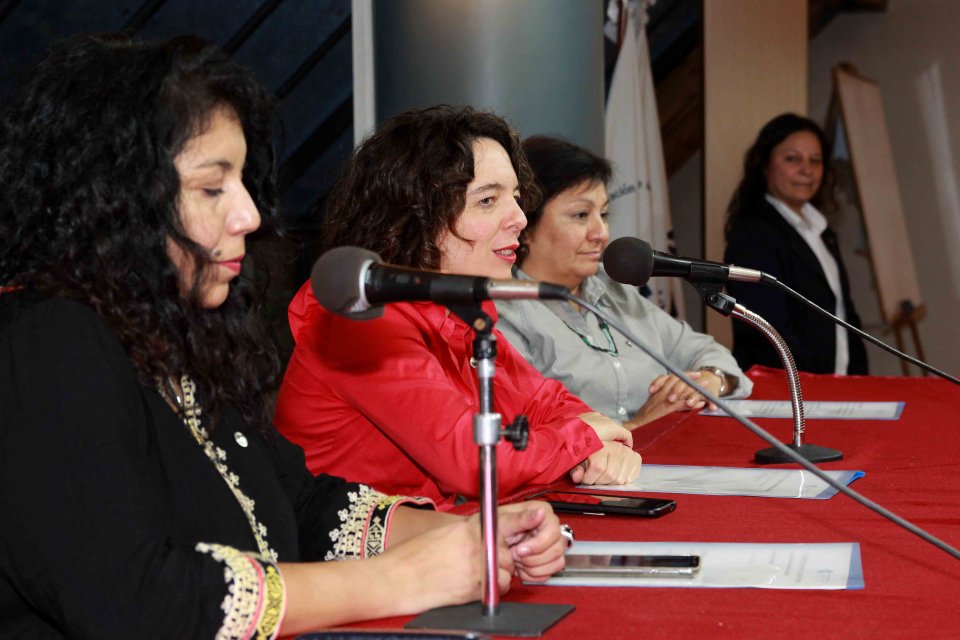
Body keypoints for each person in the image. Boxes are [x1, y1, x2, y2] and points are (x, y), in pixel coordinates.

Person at [0, 35, 566, 638]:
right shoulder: (46, 340)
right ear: (112, 198)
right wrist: (401, 578)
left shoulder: (178, 336)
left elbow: (303, 504)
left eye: (243, 183)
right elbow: (136, 602)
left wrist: (467, 535)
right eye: (212, 188)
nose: (248, 215)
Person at [274, 106, 641, 510]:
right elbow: (476, 462)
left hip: (436, 534)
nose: (520, 218)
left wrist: (594, 442)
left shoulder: (459, 311)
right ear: (414, 216)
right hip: (362, 547)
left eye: (516, 198)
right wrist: (583, 440)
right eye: (487, 200)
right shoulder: (362, 318)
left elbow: (546, 403)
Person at [495, 136, 751, 429]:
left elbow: (703, 350)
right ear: (525, 226)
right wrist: (640, 425)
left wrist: (706, 381)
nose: (601, 233)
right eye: (581, 215)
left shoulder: (613, 290)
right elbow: (530, 437)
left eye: (604, 214)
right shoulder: (505, 313)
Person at [723, 113, 868, 375]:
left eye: (815, 160)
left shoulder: (822, 231)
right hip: (787, 387)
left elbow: (845, 316)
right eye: (792, 159)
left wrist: (858, 382)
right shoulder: (753, 234)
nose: (807, 170)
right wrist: (812, 383)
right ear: (764, 164)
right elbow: (767, 331)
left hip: (834, 386)